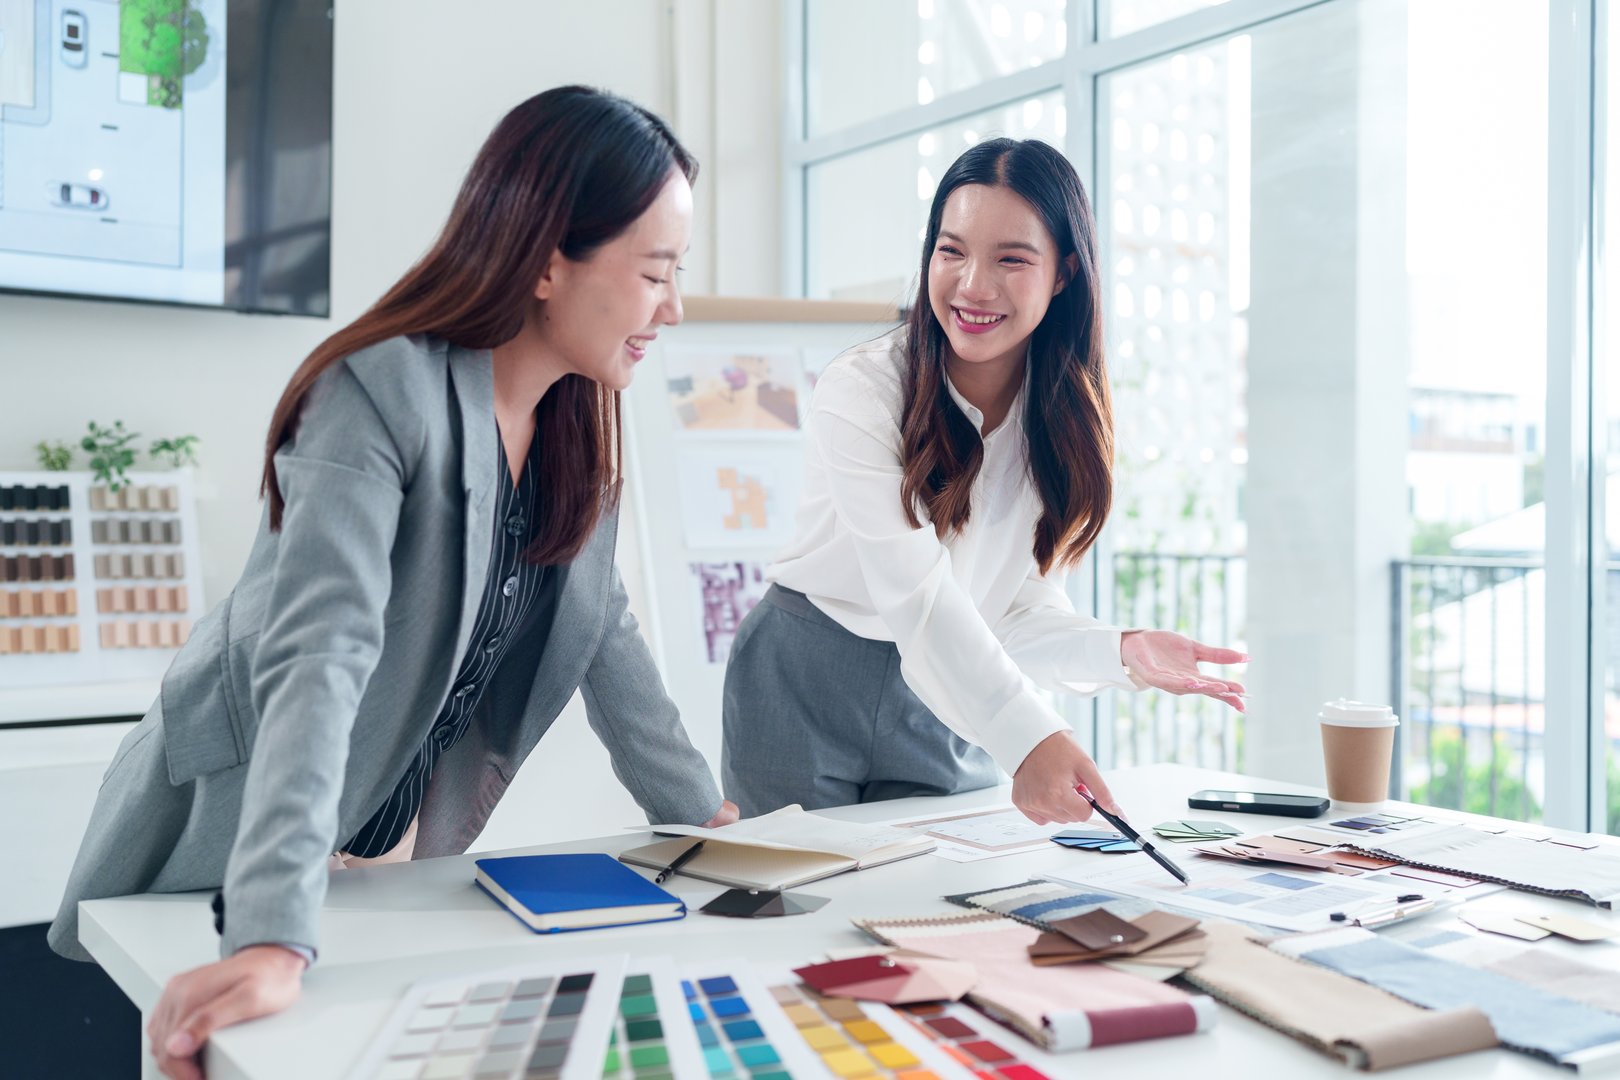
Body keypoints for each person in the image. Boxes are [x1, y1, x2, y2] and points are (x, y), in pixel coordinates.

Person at [48, 86, 738, 1080]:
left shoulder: (573, 429)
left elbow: (605, 634)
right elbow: (321, 652)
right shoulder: (376, 389)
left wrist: (706, 826)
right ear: (549, 261)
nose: (674, 308)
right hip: (231, 842)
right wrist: (274, 933)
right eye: (657, 273)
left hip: (364, 861)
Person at [722, 137, 1246, 826]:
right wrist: (1032, 740)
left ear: (1063, 274)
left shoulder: (1060, 424)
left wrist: (1119, 651)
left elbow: (1010, 613)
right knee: (793, 910)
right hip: (802, 676)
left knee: (939, 913)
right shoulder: (862, 389)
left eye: (1011, 259)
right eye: (952, 250)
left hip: (950, 680)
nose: (972, 284)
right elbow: (917, 595)